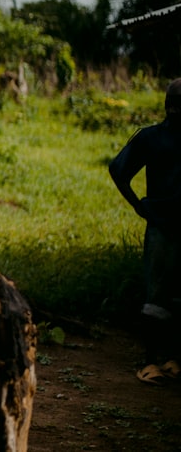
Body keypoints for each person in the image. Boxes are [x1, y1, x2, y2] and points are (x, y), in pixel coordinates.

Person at [109, 78, 181, 385]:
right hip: (162, 227)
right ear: (168, 107)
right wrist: (139, 205)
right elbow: (118, 170)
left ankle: (172, 358)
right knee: (157, 297)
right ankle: (150, 362)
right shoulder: (151, 138)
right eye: (176, 105)